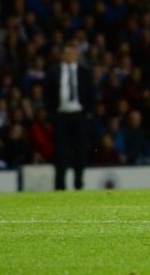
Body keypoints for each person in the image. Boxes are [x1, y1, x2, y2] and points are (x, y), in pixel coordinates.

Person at [45, 42, 95, 190]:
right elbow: (47, 95)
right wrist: (51, 115)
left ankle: (78, 183)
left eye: (73, 52)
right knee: (60, 152)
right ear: (62, 55)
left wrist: (87, 114)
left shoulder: (85, 72)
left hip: (79, 117)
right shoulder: (53, 72)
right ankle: (60, 186)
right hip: (60, 117)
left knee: (80, 151)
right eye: (67, 52)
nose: (70, 55)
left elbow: (90, 95)